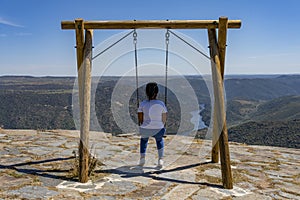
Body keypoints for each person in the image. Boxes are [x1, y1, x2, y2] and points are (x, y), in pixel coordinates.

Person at [137, 82, 167, 168]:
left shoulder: (143, 104)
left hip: (145, 128)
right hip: (159, 128)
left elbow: (140, 118)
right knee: (159, 140)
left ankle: (142, 158)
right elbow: (164, 117)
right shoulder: (161, 104)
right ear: (157, 93)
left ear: (146, 93)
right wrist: (162, 125)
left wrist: (143, 125)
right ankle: (160, 159)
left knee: (144, 140)